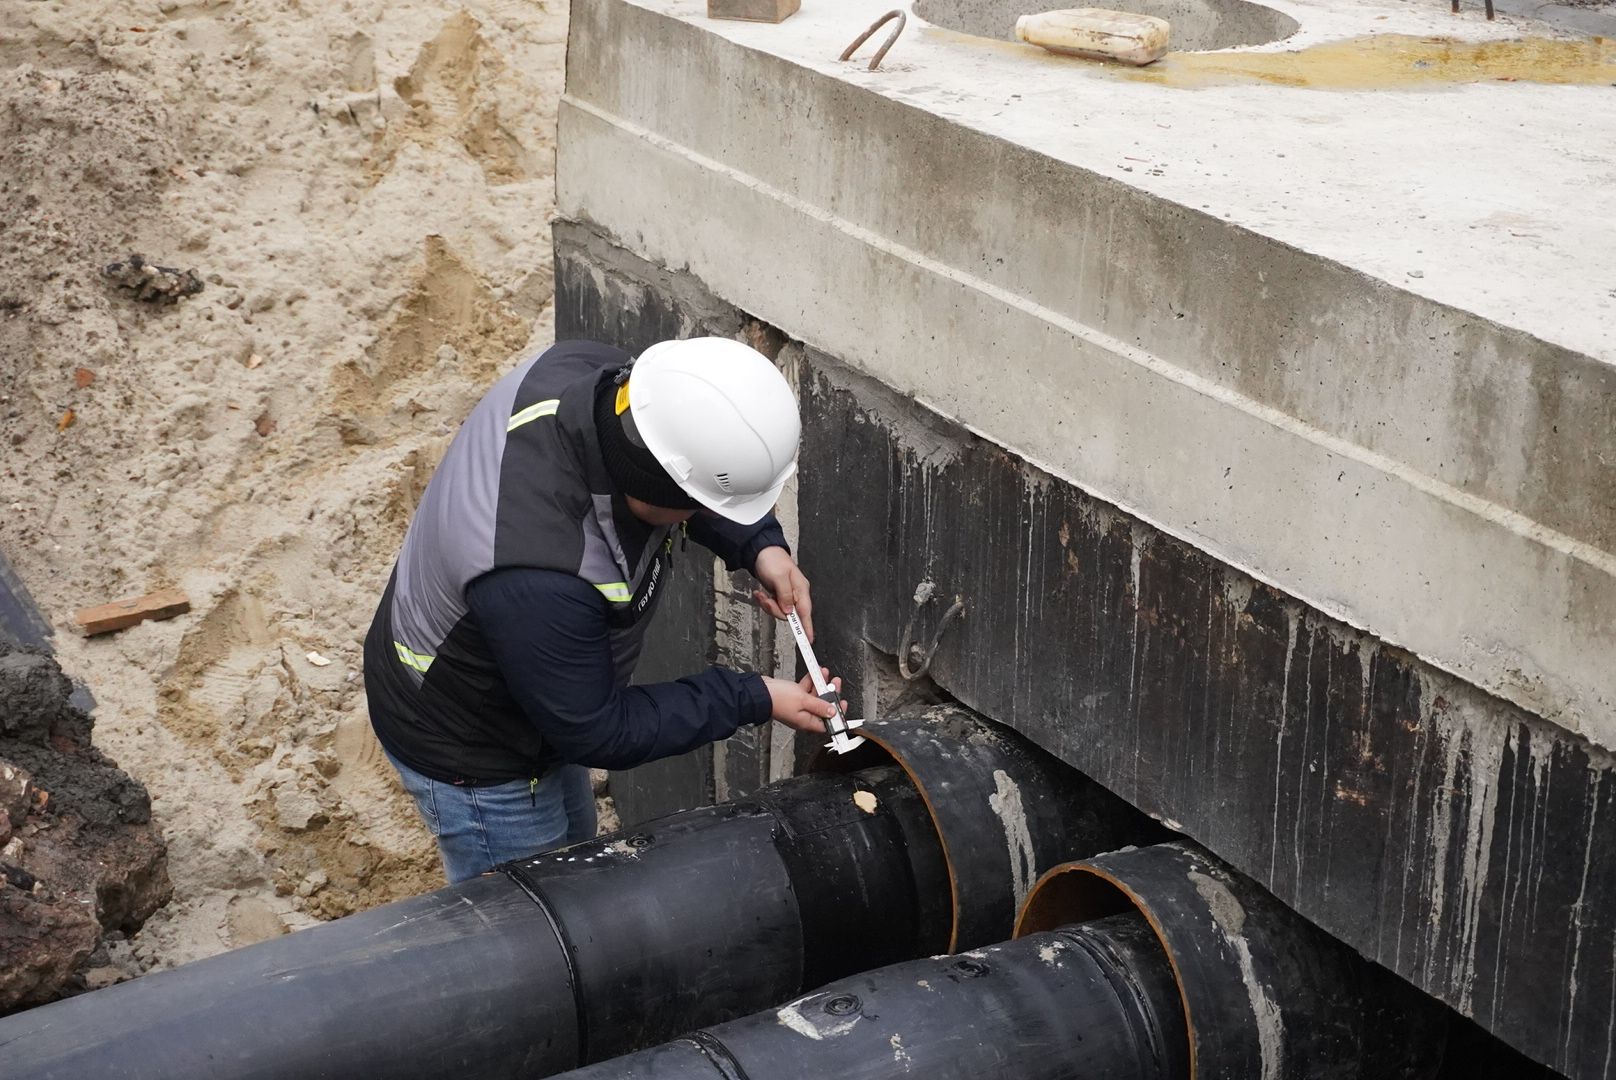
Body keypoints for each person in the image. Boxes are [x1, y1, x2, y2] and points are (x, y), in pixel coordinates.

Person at [363, 336, 843, 883]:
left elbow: (684, 465)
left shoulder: (610, 382)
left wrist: (761, 545)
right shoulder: (542, 573)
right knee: (531, 929)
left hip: (531, 691)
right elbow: (597, 730)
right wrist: (754, 696)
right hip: (472, 746)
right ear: (664, 493)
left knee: (573, 856)